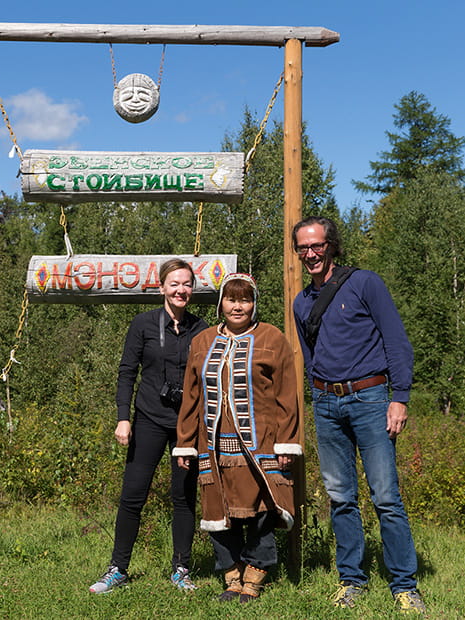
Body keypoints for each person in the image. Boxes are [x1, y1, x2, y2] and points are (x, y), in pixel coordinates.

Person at [291, 216, 426, 614]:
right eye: (303, 248)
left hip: (371, 400)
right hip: (327, 405)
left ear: (331, 245)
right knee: (340, 498)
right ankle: (352, 581)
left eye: (317, 245)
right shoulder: (301, 303)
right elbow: (310, 358)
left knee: (386, 497)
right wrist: (317, 396)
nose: (311, 254)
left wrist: (398, 397)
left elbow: (397, 342)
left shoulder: (365, 283)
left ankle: (404, 585)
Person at [172, 273, 301, 603]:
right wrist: (185, 442)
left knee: (262, 509)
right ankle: (231, 577)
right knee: (219, 509)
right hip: (213, 444)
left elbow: (288, 394)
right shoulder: (202, 341)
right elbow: (191, 395)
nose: (238, 306)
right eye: (231, 299)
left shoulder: (272, 338)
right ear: (221, 304)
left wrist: (287, 442)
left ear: (254, 303)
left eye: (245, 299)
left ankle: (254, 580)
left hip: (261, 443)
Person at [89, 258, 208, 594]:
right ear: (162, 288)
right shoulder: (142, 324)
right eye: (174, 284)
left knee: (183, 497)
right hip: (149, 419)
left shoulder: (201, 329)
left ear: (192, 289)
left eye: (186, 284)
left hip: (187, 425)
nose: (181, 290)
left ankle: (181, 568)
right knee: (133, 495)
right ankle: (117, 569)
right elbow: (127, 372)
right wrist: (122, 418)